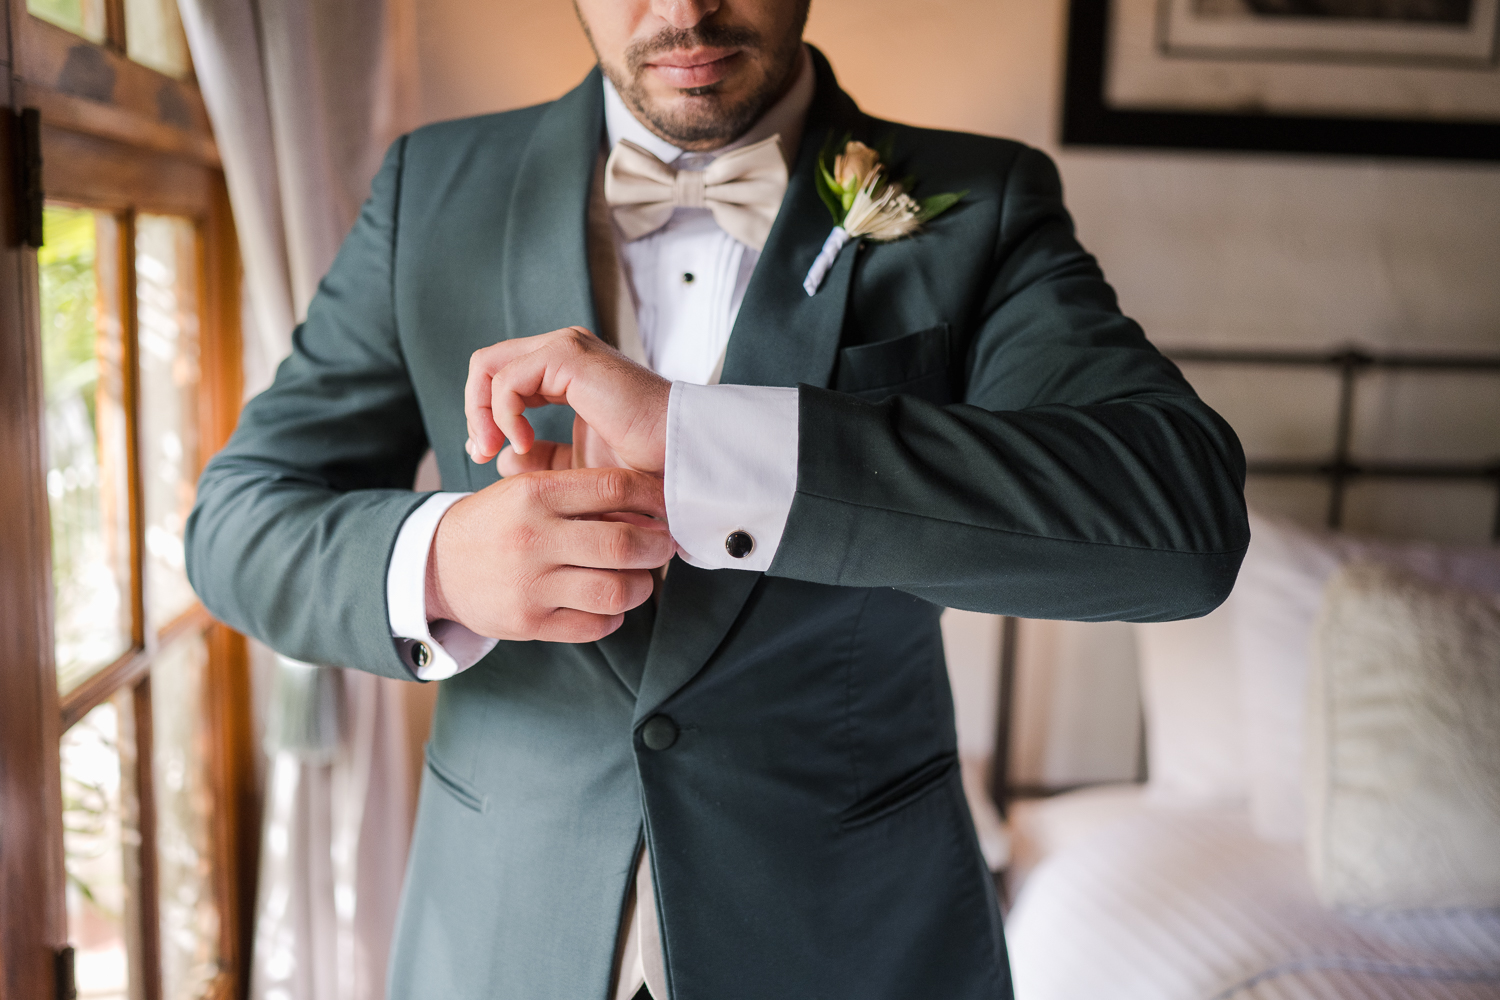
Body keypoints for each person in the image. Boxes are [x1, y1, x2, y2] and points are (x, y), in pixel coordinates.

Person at [186, 0, 1250, 997]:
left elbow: (1178, 524)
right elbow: (236, 522)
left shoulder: (975, 199)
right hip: (500, 936)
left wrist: (717, 449)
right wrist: (442, 558)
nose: (685, 7)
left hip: (857, 945)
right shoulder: (432, 187)